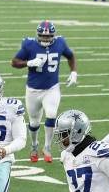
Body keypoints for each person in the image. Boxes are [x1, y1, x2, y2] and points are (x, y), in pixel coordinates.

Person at [11, 21, 77, 163]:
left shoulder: (60, 42)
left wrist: (74, 72)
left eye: (48, 36)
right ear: (38, 34)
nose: (46, 39)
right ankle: (34, 145)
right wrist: (28, 63)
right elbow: (14, 62)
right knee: (34, 122)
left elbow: (70, 56)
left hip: (52, 88)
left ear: (54, 35)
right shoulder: (29, 44)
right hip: (33, 89)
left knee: (52, 114)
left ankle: (47, 147)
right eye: (42, 36)